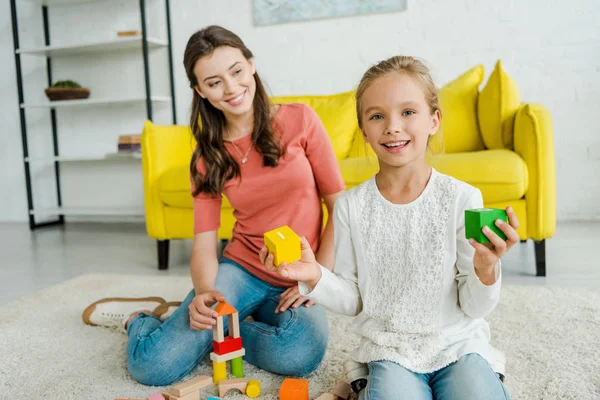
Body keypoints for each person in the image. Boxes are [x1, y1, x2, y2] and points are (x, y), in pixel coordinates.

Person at [81, 25, 345, 386]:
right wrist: (205, 294)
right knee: (153, 367)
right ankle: (141, 319)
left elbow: (338, 205)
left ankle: (229, 327)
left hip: (300, 272)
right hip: (240, 269)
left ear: (251, 66)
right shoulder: (207, 157)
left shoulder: (300, 120)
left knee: (299, 354)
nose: (232, 88)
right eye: (214, 81)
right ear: (200, 91)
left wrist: (319, 279)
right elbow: (205, 243)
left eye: (236, 71)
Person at [267, 55, 517, 399]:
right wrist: (314, 276)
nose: (392, 126)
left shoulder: (462, 198)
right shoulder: (351, 207)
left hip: (458, 344)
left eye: (408, 112)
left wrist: (487, 267)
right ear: (364, 129)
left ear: (434, 120)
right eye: (377, 116)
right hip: (390, 349)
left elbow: (474, 307)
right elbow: (354, 300)